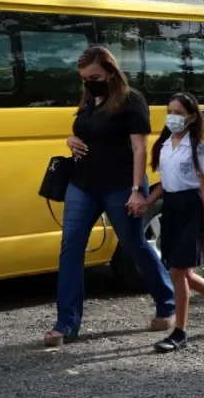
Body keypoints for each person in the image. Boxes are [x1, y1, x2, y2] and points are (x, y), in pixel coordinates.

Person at [44, 46, 175, 347]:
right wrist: (71, 139)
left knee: (134, 245)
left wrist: (136, 191)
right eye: (84, 78)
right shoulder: (90, 99)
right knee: (70, 248)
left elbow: (140, 148)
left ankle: (167, 303)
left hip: (121, 185)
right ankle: (66, 324)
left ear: (111, 71)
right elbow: (86, 132)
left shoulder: (132, 101)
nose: (89, 83)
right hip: (83, 184)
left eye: (94, 76)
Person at [144, 92, 204, 353]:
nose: (173, 117)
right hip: (171, 207)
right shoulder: (163, 146)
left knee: (177, 270)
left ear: (191, 117)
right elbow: (165, 183)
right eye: (170, 112)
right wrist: (148, 201)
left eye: (179, 113)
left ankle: (180, 332)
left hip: (192, 208)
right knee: (182, 271)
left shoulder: (198, 147)